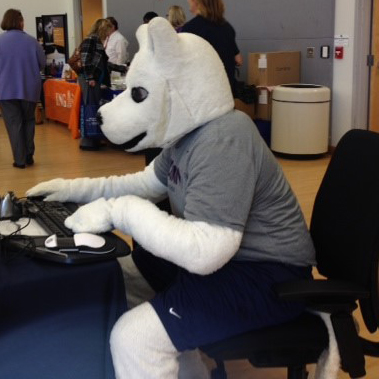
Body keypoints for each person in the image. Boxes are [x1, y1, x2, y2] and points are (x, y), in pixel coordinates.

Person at [27, 17, 316, 378]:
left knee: (134, 339)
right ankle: (188, 365)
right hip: (233, 263)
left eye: (140, 94)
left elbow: (206, 251)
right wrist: (74, 190)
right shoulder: (186, 137)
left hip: (269, 274)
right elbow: (142, 183)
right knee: (119, 275)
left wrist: (122, 212)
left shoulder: (224, 137)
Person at [0, 9, 45, 168]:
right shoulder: (33, 42)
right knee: (29, 121)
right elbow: (42, 64)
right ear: (20, 22)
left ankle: (19, 160)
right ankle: (29, 155)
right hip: (29, 89)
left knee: (14, 124)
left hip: (5, 90)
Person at [182, 0, 243, 96]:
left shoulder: (190, 29)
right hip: (226, 91)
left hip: (203, 93)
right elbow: (239, 60)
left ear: (197, 3)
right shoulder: (227, 27)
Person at [77, 18, 112, 149]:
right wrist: (90, 78)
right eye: (108, 30)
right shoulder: (91, 40)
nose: (109, 33)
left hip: (94, 80)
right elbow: (85, 61)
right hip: (90, 81)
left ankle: (94, 137)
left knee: (93, 107)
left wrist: (120, 67)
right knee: (90, 108)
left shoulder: (96, 41)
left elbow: (102, 63)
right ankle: (88, 140)